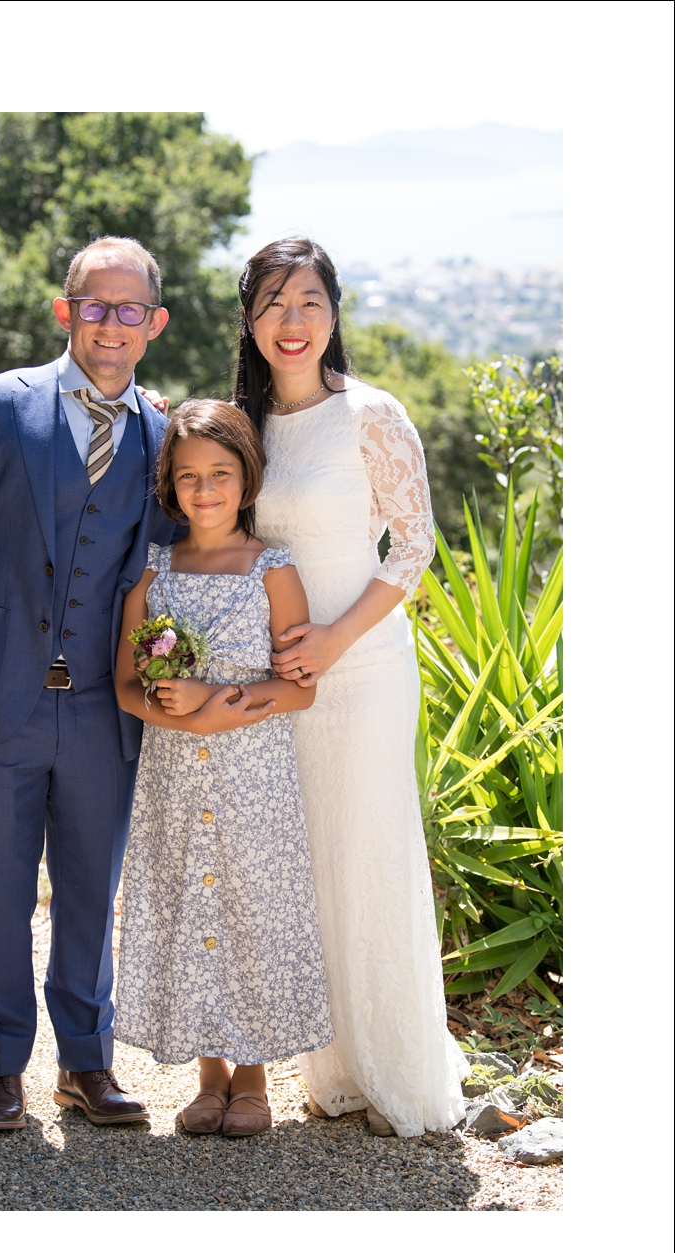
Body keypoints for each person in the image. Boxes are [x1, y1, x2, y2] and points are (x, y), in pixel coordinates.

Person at [0, 236, 179, 1130]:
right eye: (94, 306)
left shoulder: (159, 430)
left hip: (108, 707)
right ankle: (0, 1067)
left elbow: (180, 548)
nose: (111, 323)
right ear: (67, 313)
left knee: (89, 887)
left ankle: (86, 1063)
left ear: (154, 322)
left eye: (129, 308)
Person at [236, 239, 468, 1137]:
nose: (291, 323)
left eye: (309, 302)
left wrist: (333, 637)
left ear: (335, 313)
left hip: (363, 665)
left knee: (371, 850)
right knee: (312, 864)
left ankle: (400, 1070)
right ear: (250, 320)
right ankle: (335, 1066)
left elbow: (413, 547)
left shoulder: (371, 413)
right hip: (279, 676)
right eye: (272, 304)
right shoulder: (247, 425)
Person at [111, 399, 334, 1138]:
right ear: (169, 487)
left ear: (247, 478)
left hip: (252, 773)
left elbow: (300, 685)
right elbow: (123, 684)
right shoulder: (153, 570)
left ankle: (254, 1080)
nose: (204, 490)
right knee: (191, 910)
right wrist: (177, 710)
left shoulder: (273, 568)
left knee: (248, 912)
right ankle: (209, 1078)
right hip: (174, 775)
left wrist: (216, 702)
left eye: (220, 474)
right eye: (187, 477)